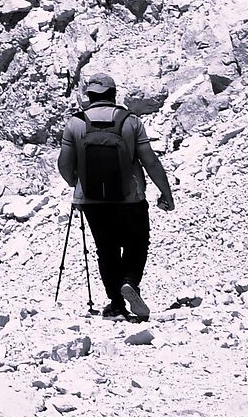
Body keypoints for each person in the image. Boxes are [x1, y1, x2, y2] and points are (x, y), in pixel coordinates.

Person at [57, 72, 173, 321]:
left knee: (106, 249)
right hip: (130, 197)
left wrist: (76, 185)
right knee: (137, 242)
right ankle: (130, 282)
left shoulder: (75, 124)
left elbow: (65, 165)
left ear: (89, 96)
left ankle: (116, 304)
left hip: (92, 200)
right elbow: (149, 160)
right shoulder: (130, 121)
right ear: (113, 94)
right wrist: (165, 192)